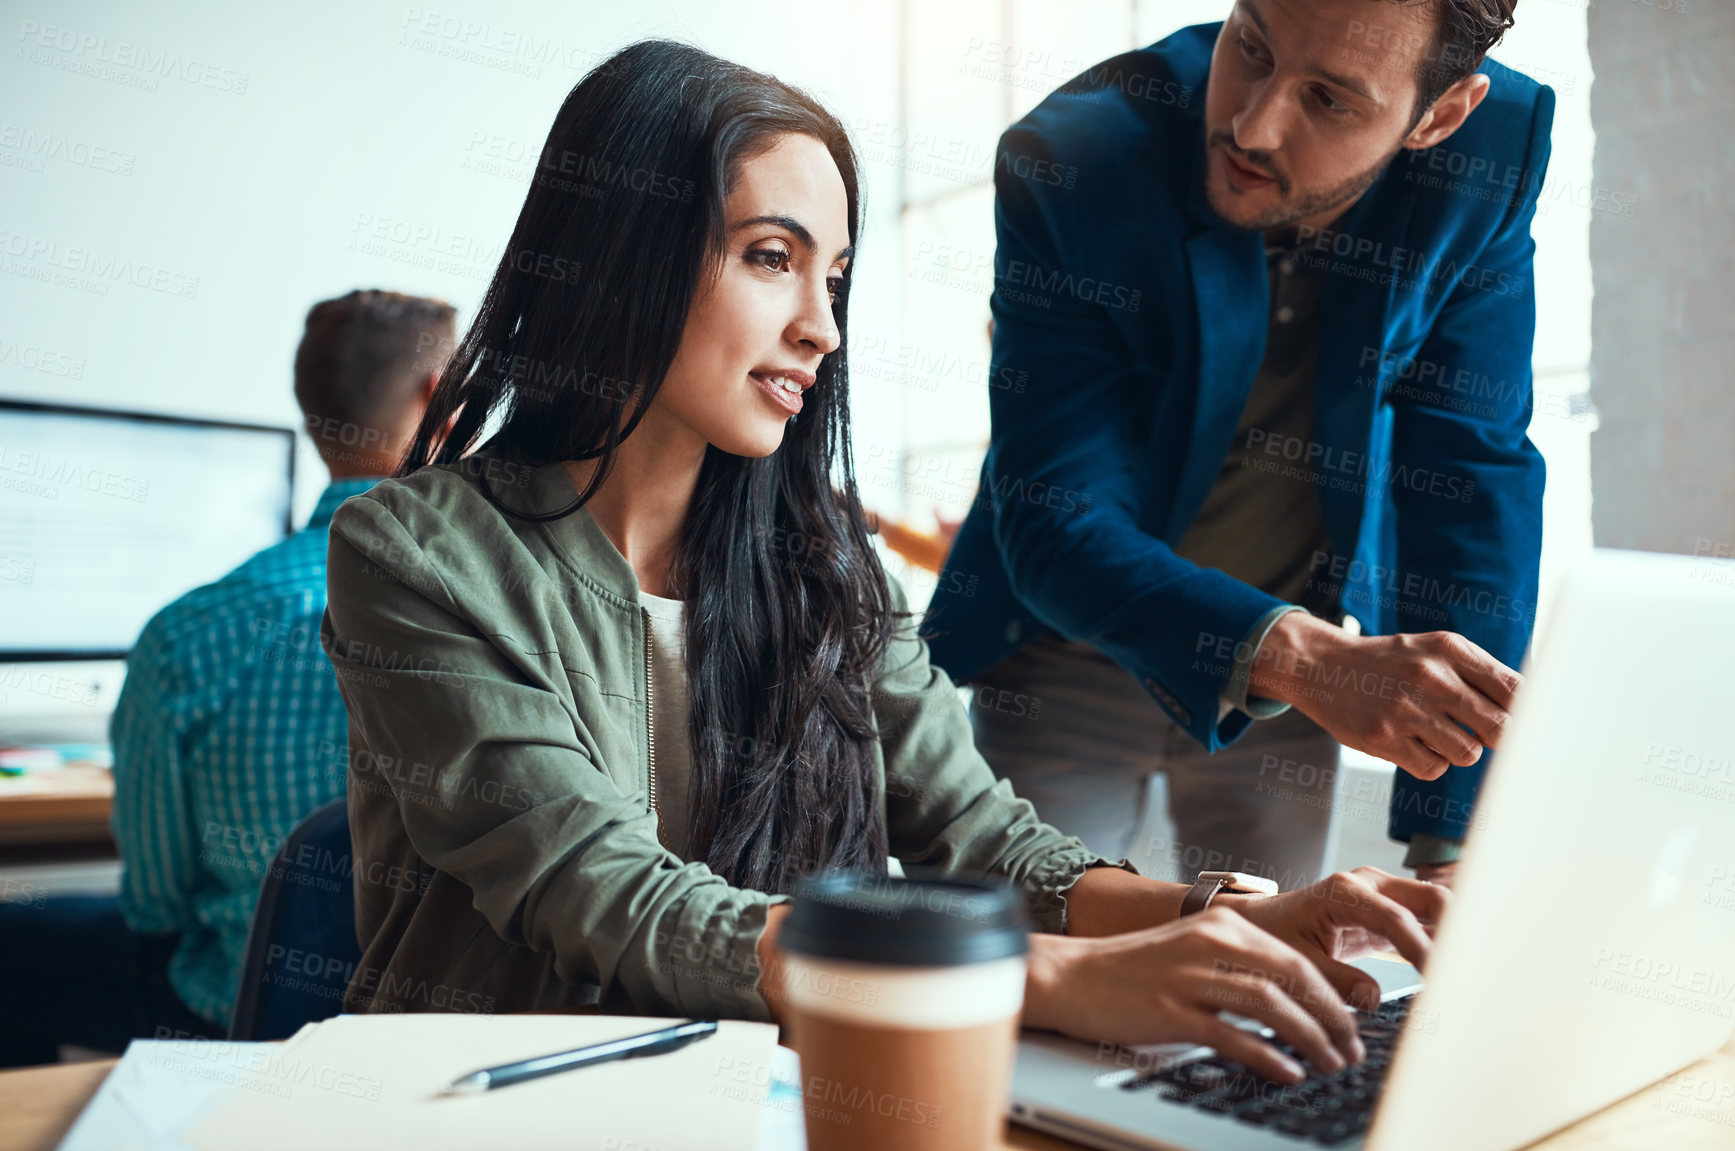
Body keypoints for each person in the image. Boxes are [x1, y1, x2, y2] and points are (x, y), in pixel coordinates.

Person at [321, 39, 1450, 1086]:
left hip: (762, 1102)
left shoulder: (826, 572)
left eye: (836, 278)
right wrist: (1035, 980)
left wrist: (1231, 916)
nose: (822, 327)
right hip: (494, 1111)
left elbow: (989, 841)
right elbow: (602, 890)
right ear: (621, 256)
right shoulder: (413, 554)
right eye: (773, 257)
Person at [924, 0, 1551, 891]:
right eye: (1249, 45)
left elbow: (1471, 472)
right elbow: (1055, 515)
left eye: (1329, 100)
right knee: (1026, 959)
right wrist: (1303, 658)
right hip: (1070, 642)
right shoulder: (1077, 158)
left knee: (1277, 987)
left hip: (1299, 678)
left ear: (1439, 116)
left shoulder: (1485, 157)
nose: (1250, 124)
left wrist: (1449, 832)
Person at [0, 289, 454, 1068]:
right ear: (438, 399)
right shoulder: (503, 609)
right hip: (433, 1033)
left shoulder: (188, 632)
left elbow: (155, 902)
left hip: (233, 1020)